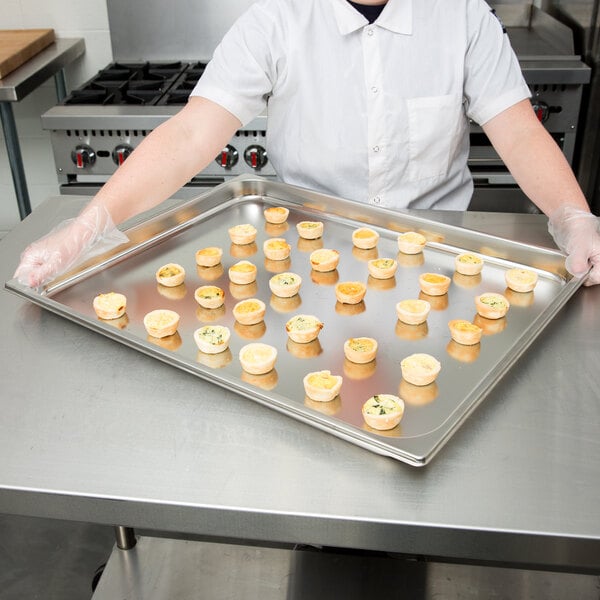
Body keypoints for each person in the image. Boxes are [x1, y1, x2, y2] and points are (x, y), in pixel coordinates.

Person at [14, 0, 600, 287]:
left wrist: (574, 216)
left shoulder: (461, 14)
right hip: (301, 263)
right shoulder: (277, 18)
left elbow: (519, 129)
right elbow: (192, 132)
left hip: (437, 261)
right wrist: (85, 229)